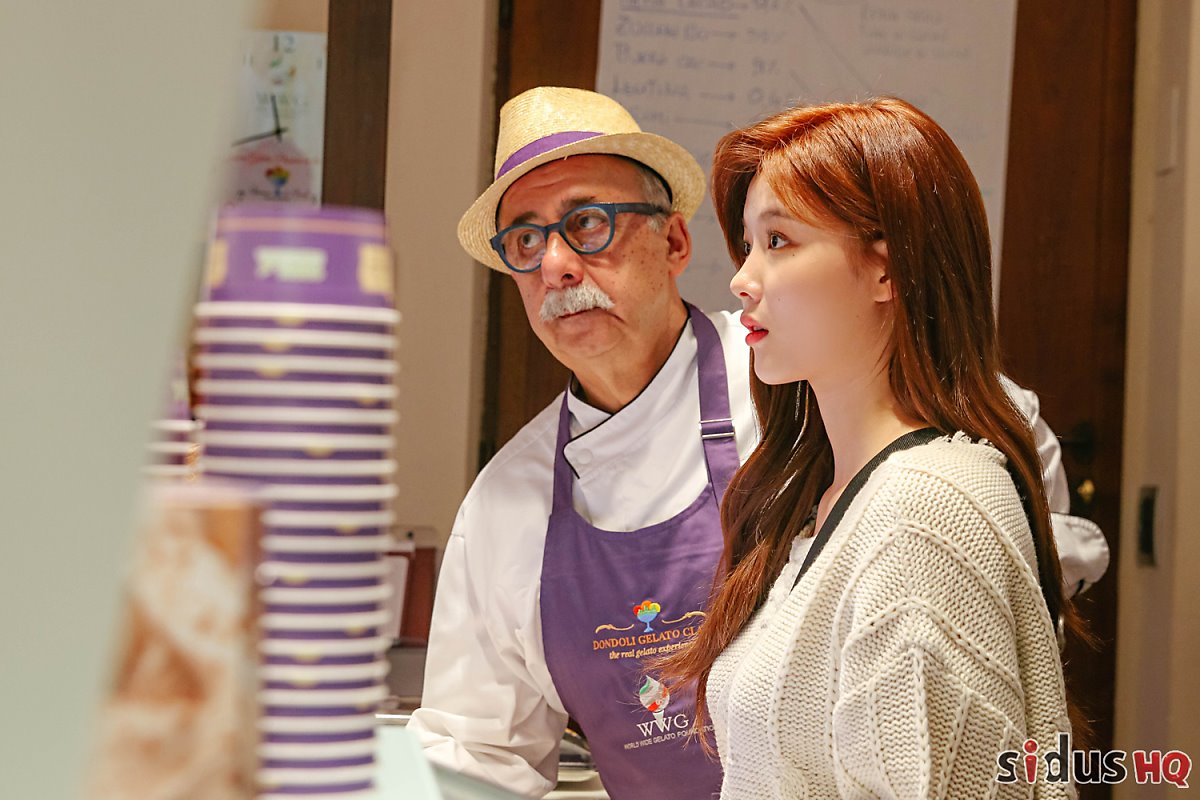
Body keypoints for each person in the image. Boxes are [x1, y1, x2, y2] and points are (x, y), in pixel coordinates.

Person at [407, 87, 1102, 798]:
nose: (555, 264)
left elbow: (987, 467)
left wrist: (972, 608)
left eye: (588, 223)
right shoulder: (506, 501)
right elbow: (475, 753)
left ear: (674, 243)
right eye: (525, 241)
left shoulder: (798, 373)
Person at [657, 97, 1078, 798]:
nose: (742, 279)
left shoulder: (923, 513)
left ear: (888, 269)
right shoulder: (829, 494)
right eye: (749, 244)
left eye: (779, 240)